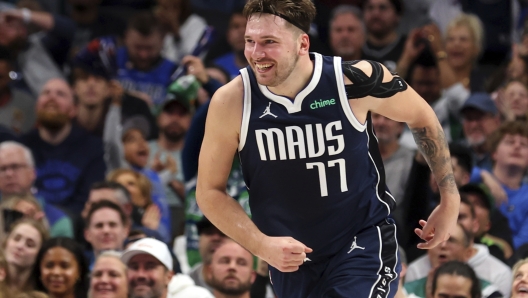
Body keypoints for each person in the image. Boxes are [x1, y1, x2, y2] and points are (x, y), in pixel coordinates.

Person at [196, 0, 461, 297]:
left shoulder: (352, 81)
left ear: (302, 43)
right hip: (292, 260)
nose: (257, 54)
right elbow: (209, 191)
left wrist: (449, 196)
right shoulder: (231, 101)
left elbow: (421, 116)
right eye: (250, 41)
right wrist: (260, 245)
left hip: (361, 241)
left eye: (269, 42)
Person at [19, 78, 107, 215]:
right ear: (37, 107)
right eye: (46, 93)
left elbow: (89, 197)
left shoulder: (93, 147)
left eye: (60, 94)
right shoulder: (21, 148)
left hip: (76, 225)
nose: (51, 98)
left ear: (73, 110)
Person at [0, 141, 74, 238]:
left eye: (15, 167)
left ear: (33, 173)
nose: (9, 174)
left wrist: (40, 231)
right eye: (2, 169)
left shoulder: (58, 220)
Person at [3, 218, 49, 294]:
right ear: (6, 242)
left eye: (29, 245)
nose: (20, 246)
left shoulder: (42, 293)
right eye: (16, 239)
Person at [83, 200, 130, 269]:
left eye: (112, 225)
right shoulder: (80, 270)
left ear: (125, 231)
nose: (106, 230)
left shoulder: (136, 271)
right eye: (99, 226)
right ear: (87, 234)